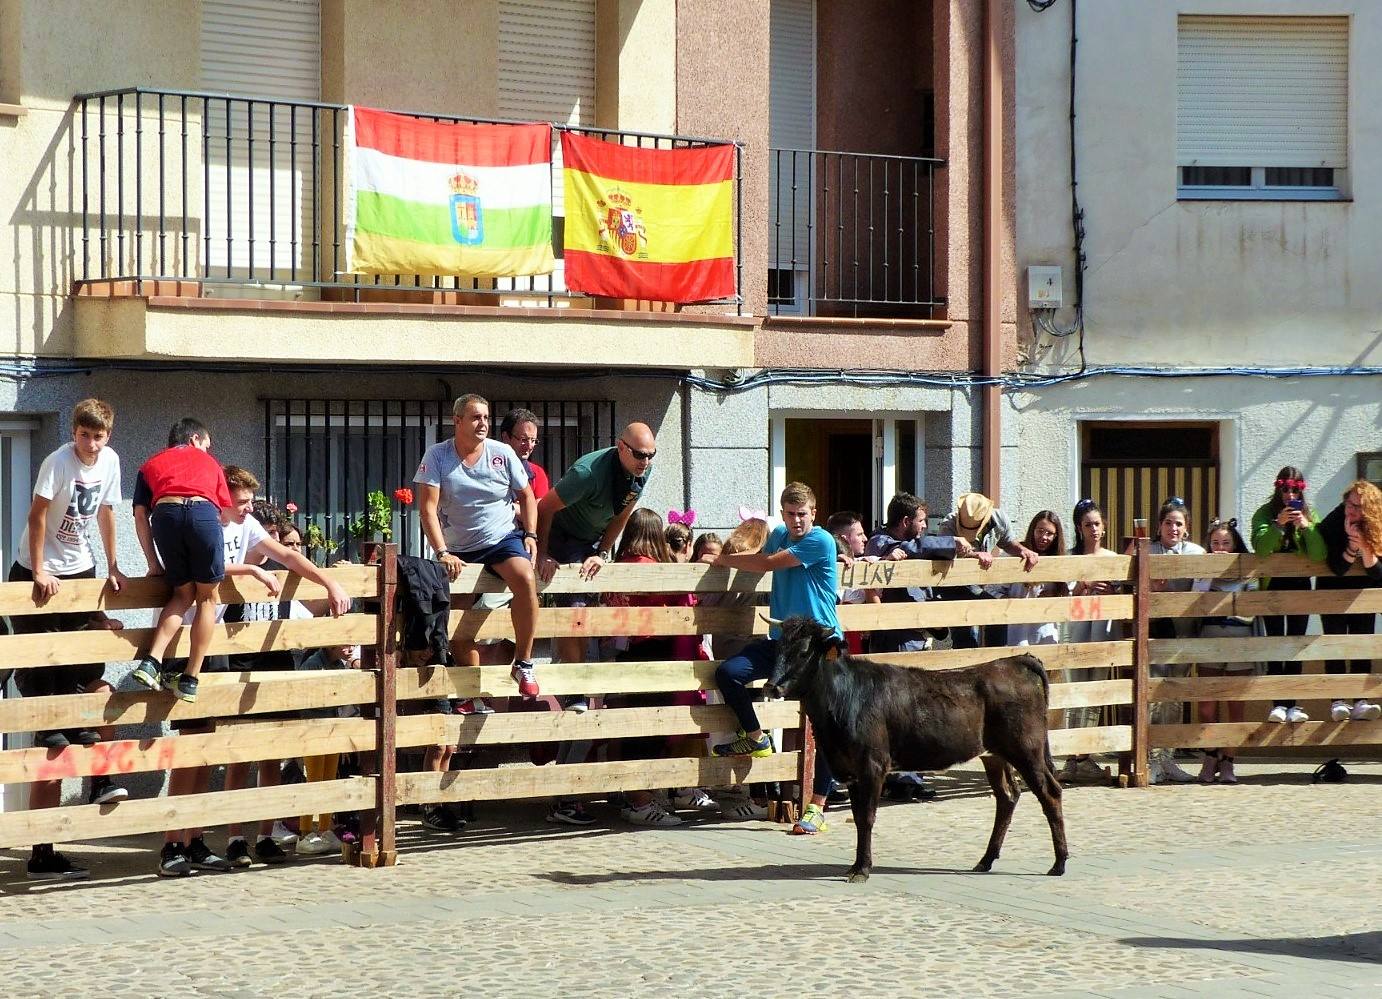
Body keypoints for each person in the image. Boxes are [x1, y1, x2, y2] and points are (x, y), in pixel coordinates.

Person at [157, 465, 350, 877]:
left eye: (249, 502)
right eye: (241, 501)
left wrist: (331, 584)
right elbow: (201, 571)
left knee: (206, 751)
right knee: (191, 750)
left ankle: (191, 841)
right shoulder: (205, 522)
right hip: (185, 642)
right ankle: (171, 844)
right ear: (222, 496)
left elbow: (287, 555)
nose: (247, 509)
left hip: (211, 647)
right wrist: (249, 570)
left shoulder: (245, 528)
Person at [6, 398, 129, 880]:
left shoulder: (111, 463)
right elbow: (37, 516)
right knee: (49, 719)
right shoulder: (57, 462)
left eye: (97, 437)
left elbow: (105, 515)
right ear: (74, 433)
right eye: (83, 435)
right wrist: (38, 568)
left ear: (108, 437)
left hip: (80, 569)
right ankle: (42, 848)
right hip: (38, 570)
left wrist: (114, 563)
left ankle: (99, 777)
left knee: (97, 686)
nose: (90, 444)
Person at [536, 422, 655, 827]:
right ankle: (574, 688)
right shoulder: (588, 472)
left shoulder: (640, 472)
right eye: (639, 454)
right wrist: (542, 554)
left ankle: (582, 689)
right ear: (620, 448)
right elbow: (542, 509)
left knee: (588, 612)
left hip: (589, 543)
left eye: (651, 455)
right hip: (558, 535)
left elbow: (622, 516)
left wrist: (603, 553)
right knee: (576, 610)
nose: (645, 462)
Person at [712, 482, 841, 836]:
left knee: (824, 726)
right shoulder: (781, 533)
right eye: (790, 514)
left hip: (818, 643)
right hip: (782, 641)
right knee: (728, 673)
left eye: (803, 514)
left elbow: (767, 563)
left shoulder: (821, 540)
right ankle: (756, 737)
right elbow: (760, 556)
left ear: (814, 513)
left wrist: (722, 559)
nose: (796, 520)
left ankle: (816, 807)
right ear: (782, 513)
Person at [416, 394, 541, 701]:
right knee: (457, 626)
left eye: (486, 417)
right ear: (457, 421)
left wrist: (531, 534)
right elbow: (427, 509)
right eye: (475, 417)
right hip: (459, 548)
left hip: (501, 538)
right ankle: (473, 696)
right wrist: (443, 552)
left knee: (525, 578)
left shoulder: (502, 452)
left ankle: (523, 662)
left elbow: (526, 495)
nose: (483, 423)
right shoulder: (437, 456)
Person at [129, 423, 236, 703]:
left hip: (165, 516)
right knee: (207, 599)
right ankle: (190, 677)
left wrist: (153, 563)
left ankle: (152, 661)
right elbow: (223, 511)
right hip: (202, 514)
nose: (207, 449)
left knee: (182, 593)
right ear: (194, 438)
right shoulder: (210, 462)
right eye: (206, 443)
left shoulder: (149, 465)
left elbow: (141, 517)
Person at [1251, 467, 1324, 723]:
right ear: (1278, 489)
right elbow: (1260, 550)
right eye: (1285, 489)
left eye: (1295, 490)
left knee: (1295, 643)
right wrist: (1278, 525)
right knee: (1275, 643)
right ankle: (1278, 704)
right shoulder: (1265, 513)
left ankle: (1293, 704)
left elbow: (1318, 554)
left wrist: (1306, 527)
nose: (1290, 494)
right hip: (1272, 586)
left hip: (1300, 586)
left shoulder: (1309, 513)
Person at [1144, 498, 1206, 784]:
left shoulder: (1196, 553)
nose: (1173, 528)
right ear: (1159, 526)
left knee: (1175, 695)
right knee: (1154, 695)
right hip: (1155, 632)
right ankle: (1150, 760)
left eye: (1178, 523)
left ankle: (1168, 759)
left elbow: (1203, 590)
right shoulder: (1147, 550)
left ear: (1187, 528)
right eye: (1168, 523)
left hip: (1183, 633)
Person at [1060, 499, 1120, 785]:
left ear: (1104, 527)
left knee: (1096, 689)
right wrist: (1082, 587)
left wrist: (1110, 590)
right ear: (1079, 529)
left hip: (1103, 623)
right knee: (1074, 689)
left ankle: (1084, 756)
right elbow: (1060, 593)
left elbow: (1125, 594)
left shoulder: (1113, 558)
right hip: (1076, 623)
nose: (1094, 529)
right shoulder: (1070, 556)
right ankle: (1071, 756)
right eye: (1088, 525)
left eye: (1097, 524)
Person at [1194, 518, 1256, 784]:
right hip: (1209, 640)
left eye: (1226, 543)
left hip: (1240, 642)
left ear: (1235, 545)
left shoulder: (1247, 571)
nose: (1221, 548)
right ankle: (1209, 756)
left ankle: (1229, 761)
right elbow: (1196, 599)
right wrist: (1209, 575)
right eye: (1216, 543)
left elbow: (1252, 609)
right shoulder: (1203, 569)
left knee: (1235, 705)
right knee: (1207, 705)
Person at [1313, 480, 1382, 721]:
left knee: (1361, 643)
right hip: (1332, 591)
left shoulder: (1377, 525)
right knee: (1336, 644)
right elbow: (1337, 568)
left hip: (1364, 593)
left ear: (1369, 509)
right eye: (1349, 504)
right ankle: (1338, 701)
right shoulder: (1334, 521)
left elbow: (1378, 572)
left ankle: (1361, 700)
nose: (1351, 510)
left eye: (1358, 506)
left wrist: (1363, 546)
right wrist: (1352, 546)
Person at [938, 493, 1039, 648]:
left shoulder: (999, 519)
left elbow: (1008, 543)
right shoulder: (948, 524)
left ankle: (994, 659)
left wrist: (1023, 551)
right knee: (966, 631)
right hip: (952, 584)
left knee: (996, 612)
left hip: (977, 585)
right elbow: (942, 552)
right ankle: (968, 666)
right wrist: (973, 555)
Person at [295, 642, 361, 855]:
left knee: (329, 779)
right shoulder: (313, 665)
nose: (351, 649)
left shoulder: (339, 665)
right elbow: (305, 702)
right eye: (346, 645)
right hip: (314, 730)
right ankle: (305, 831)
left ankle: (325, 829)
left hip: (333, 729)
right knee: (313, 780)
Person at [1004, 511, 1068, 647]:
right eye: (1040, 531)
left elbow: (1069, 594)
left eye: (1049, 533)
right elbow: (993, 589)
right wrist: (1010, 602)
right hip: (1018, 628)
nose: (1044, 537)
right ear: (1033, 530)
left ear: (1056, 536)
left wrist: (1056, 596)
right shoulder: (1015, 554)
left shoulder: (1060, 561)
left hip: (1046, 629)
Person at [498, 407, 549, 500]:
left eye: (533, 440)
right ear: (506, 437)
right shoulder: (489, 468)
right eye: (524, 439)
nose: (529, 446)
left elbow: (540, 510)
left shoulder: (537, 473)